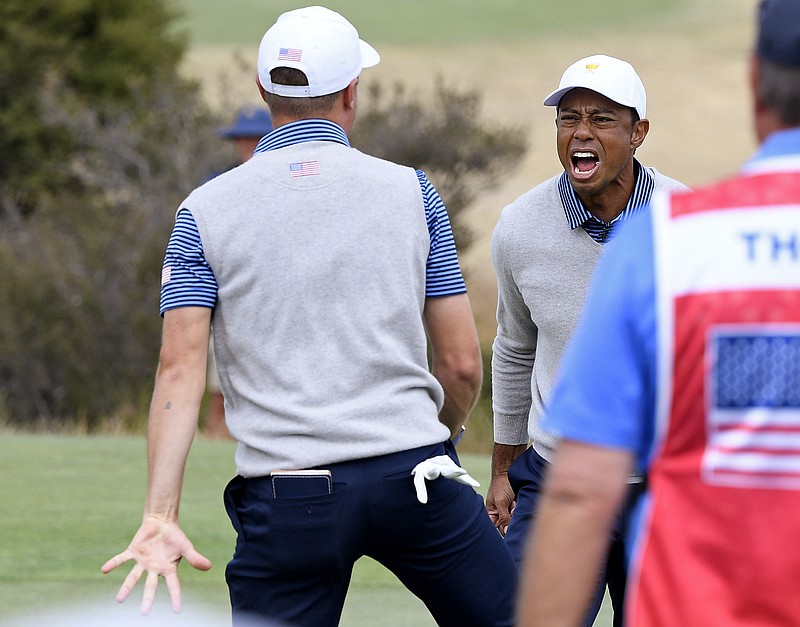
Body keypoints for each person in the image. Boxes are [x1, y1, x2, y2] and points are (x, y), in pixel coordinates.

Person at [102, 6, 517, 627]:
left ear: (264, 91)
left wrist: (160, 515)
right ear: (352, 91)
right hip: (415, 475)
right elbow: (460, 366)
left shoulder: (203, 210)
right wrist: (442, 439)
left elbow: (178, 372)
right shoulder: (413, 191)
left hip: (288, 494)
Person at [517, 1, 800, 625]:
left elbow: (580, 486)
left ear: (755, 82)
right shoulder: (546, 225)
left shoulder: (667, 240)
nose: (582, 131)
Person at [487, 54, 687, 626]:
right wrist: (502, 468)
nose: (580, 132)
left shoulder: (686, 221)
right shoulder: (520, 226)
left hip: (662, 483)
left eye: (602, 119)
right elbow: (514, 347)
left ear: (638, 132)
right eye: (568, 117)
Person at [204, 106, 274, 439]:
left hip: (273, 302)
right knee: (220, 391)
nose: (248, 145)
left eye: (255, 138)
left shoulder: (282, 180)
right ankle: (215, 446)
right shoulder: (217, 183)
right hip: (229, 298)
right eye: (242, 139)